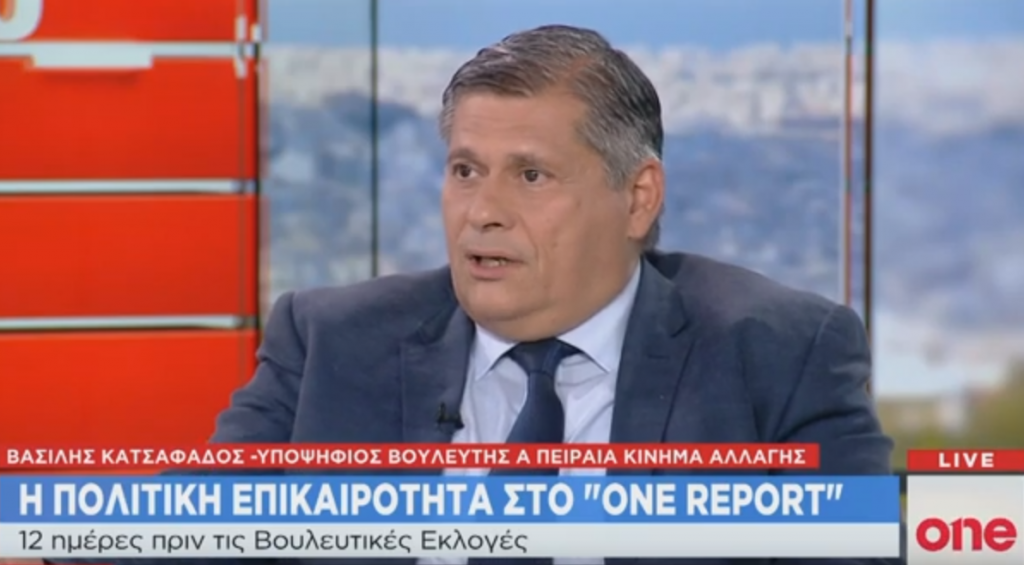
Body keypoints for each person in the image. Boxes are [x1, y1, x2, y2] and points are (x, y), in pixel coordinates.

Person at [28, 24, 898, 565]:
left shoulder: (779, 354)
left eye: (531, 175)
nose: (483, 211)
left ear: (638, 198)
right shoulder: (328, 340)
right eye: (465, 171)